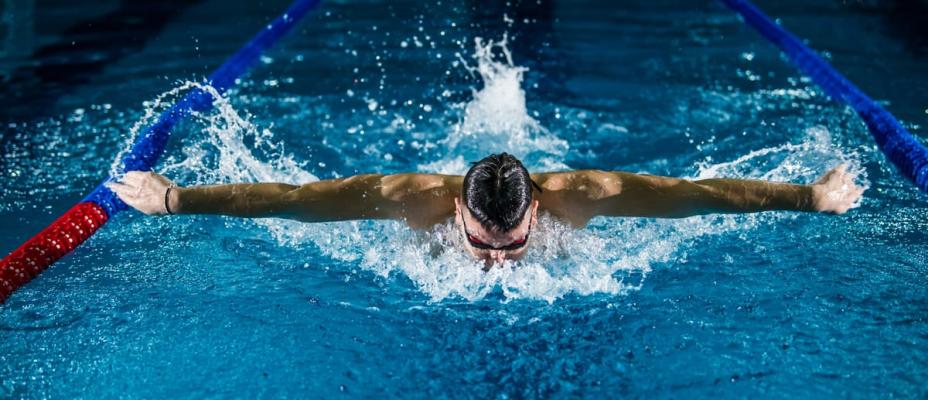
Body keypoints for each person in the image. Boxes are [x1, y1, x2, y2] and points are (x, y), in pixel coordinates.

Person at [107, 153, 864, 265]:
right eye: (481, 242)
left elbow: (699, 197)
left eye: (511, 244)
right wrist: (174, 199)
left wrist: (811, 197)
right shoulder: (407, 199)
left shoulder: (586, 195)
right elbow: (295, 203)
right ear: (456, 210)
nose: (496, 260)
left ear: (538, 208)